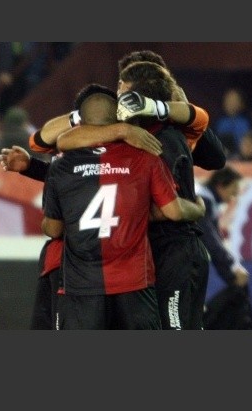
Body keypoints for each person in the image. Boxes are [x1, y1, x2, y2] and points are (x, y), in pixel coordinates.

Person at [41, 85, 206, 330]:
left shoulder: (60, 167)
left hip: (80, 285)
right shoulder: (145, 157)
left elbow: (53, 229)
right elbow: (173, 211)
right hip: (135, 283)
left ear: (79, 123)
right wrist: (198, 209)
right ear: (117, 117)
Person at [196, 167, 252, 330]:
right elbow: (211, 241)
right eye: (233, 190)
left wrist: (230, 272)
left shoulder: (205, 199)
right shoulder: (203, 201)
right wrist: (231, 269)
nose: (234, 197)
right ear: (221, 186)